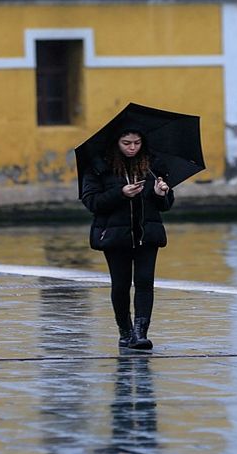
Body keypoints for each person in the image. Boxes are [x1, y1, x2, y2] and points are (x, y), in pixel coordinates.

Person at [81, 126, 174, 350]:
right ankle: (125, 331)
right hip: (114, 235)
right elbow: (91, 202)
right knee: (121, 285)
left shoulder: (152, 167)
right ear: (117, 143)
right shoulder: (99, 167)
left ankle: (140, 333)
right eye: (126, 143)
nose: (132, 148)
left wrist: (163, 194)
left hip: (147, 234)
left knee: (145, 283)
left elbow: (165, 205)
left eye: (136, 143)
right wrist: (120, 193)